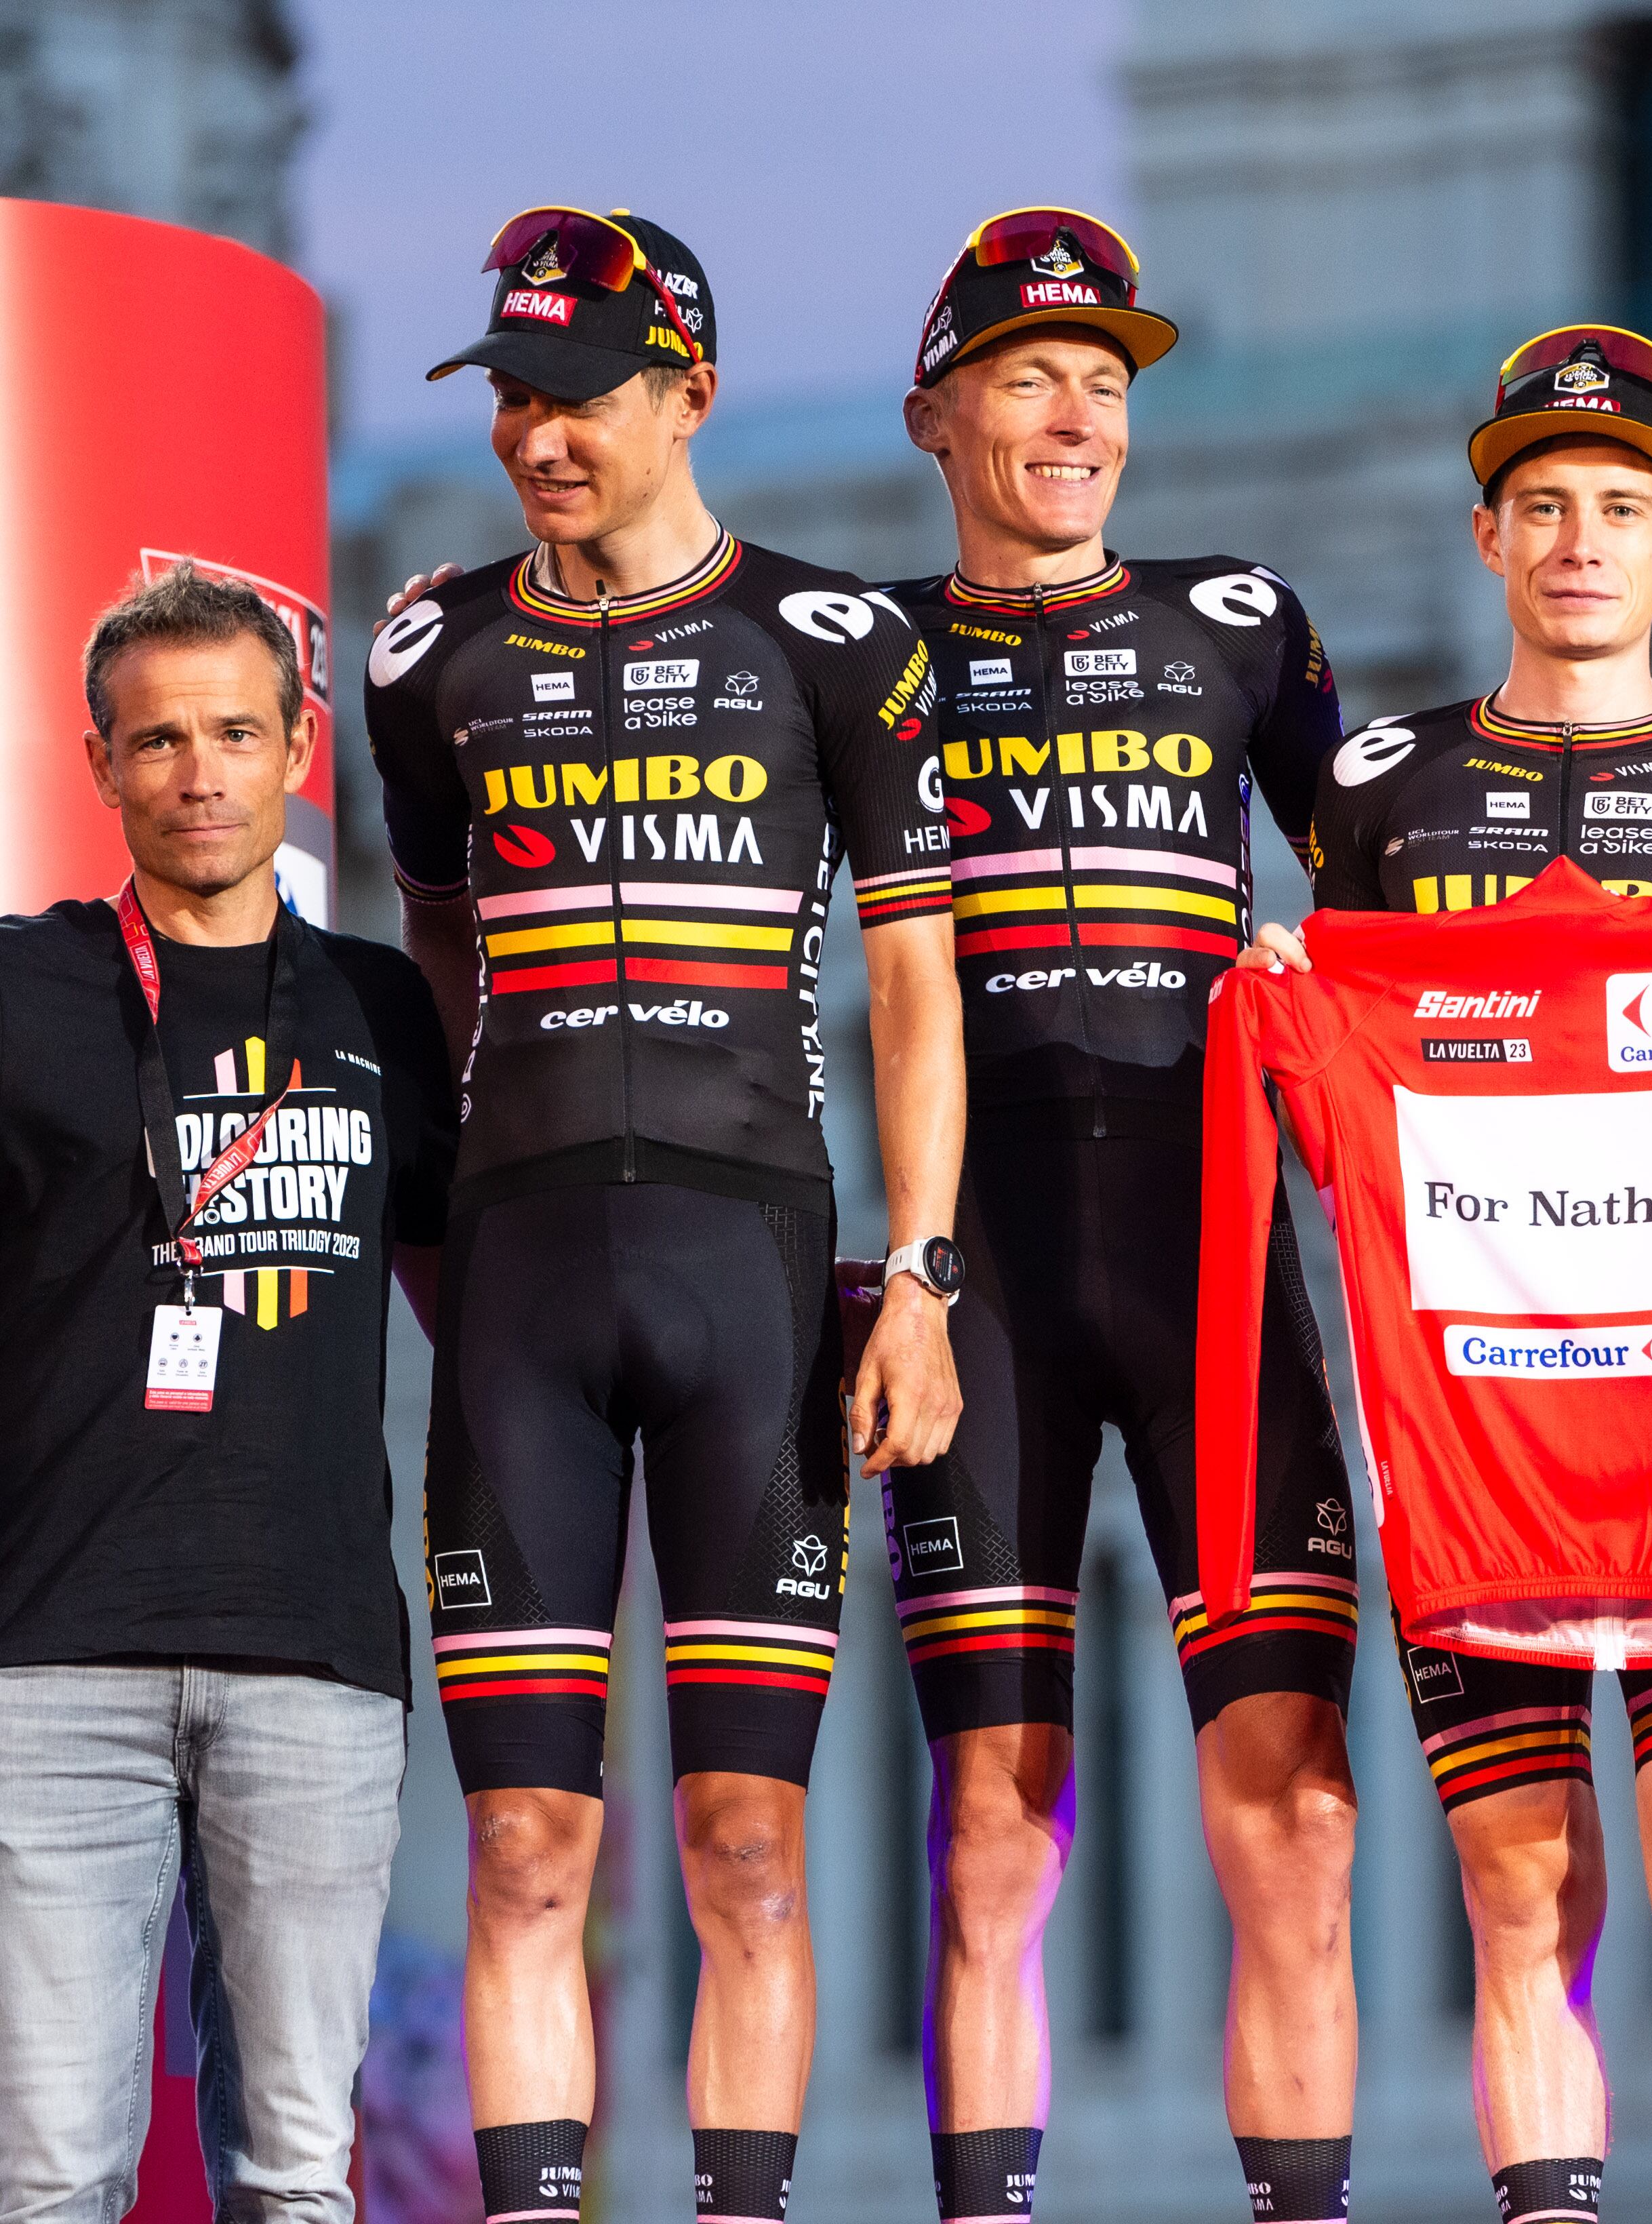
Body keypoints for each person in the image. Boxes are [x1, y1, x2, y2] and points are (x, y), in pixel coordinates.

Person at [361, 206, 965, 2223]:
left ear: (687, 391)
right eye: (515, 396)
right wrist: (469, 1192)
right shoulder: (428, 647)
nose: (541, 435)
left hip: (759, 1272)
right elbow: (440, 945)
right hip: (525, 1279)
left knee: (744, 1845)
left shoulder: (841, 640)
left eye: (584, 396)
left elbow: (912, 985)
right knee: (527, 1848)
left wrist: (928, 1276)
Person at [1245, 327, 1652, 2224]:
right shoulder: (1377, 792)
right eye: (1539, 509)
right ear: (1486, 537)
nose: (1577, 542)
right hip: (1475, 1441)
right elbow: (1347, 1077)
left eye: (1615, 510)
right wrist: (1284, 1005)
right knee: (1524, 1888)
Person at [883, 208, 1363, 2224]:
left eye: (1108, 380)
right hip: (979, 1274)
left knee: (1303, 1818)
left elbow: (1409, 884)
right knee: (995, 1826)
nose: (1078, 415)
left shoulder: (1244, 618)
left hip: (1215, 1257)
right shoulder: (860, 647)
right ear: (938, 415)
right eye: (1029, 376)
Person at [0, 566, 454, 2224]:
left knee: (296, 2175)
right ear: (103, 764)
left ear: (300, 747)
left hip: (316, 1657)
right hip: (49, 1658)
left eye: (237, 733)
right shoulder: (19, 988)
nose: (201, 771)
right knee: (49, 2169)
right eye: (162, 739)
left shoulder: (381, 1006)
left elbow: (469, 1292)